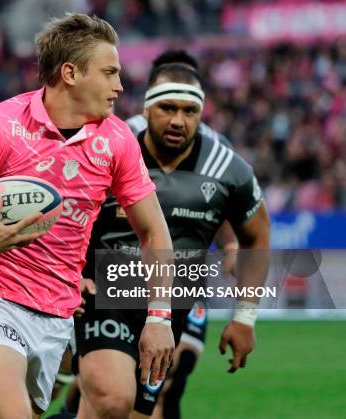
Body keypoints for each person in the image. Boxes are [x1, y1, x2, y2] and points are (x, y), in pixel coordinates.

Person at [0, 13, 175, 419]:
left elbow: (155, 233)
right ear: (70, 73)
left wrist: (159, 318)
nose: (119, 86)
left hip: (56, 316)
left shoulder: (117, 140)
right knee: (9, 411)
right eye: (109, 73)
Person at [74, 62, 270, 419]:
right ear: (147, 108)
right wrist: (74, 273)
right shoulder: (110, 152)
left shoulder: (229, 170)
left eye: (190, 111)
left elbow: (257, 237)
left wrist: (245, 318)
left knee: (129, 413)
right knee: (112, 399)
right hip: (104, 295)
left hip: (170, 307)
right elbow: (72, 216)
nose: (179, 120)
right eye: (168, 108)